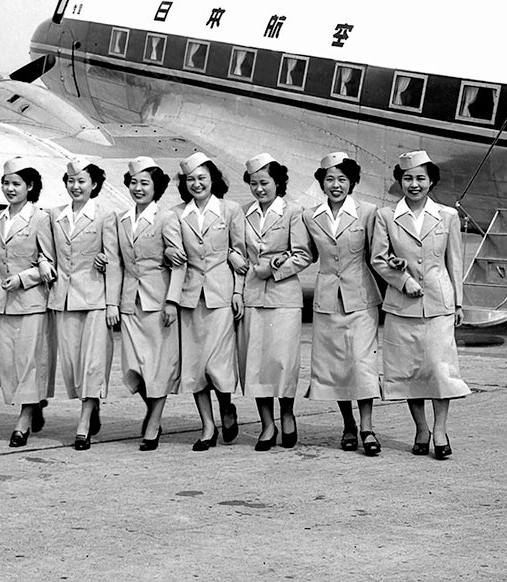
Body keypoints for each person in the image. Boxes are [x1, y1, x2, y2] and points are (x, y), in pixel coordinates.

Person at [371, 150, 470, 460]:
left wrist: (458, 303)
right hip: (402, 304)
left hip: (439, 302)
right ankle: (421, 429)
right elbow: (378, 258)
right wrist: (401, 280)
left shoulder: (448, 216)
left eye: (420, 179)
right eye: (408, 178)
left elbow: (455, 261)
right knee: (409, 371)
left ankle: (440, 431)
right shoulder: (386, 216)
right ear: (400, 181)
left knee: (440, 370)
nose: (414, 184)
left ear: (431, 182)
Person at [301, 152, 383, 455]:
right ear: (322, 182)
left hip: (360, 297)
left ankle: (367, 427)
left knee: (361, 365)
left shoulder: (368, 212)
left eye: (342, 179)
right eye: (330, 179)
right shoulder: (310, 216)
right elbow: (304, 253)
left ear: (353, 182)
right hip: (326, 300)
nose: (336, 185)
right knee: (336, 367)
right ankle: (348, 425)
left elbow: (380, 253)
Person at [163, 152, 244, 451]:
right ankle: (207, 425)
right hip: (190, 296)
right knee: (195, 366)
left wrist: (238, 292)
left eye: (202, 178)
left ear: (213, 180)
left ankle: (226, 406)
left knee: (217, 363)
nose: (197, 184)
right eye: (191, 180)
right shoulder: (174, 215)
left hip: (221, 295)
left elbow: (240, 254)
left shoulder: (230, 210)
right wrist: (167, 255)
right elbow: (173, 256)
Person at [231, 153, 311, 451]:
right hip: (252, 296)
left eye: (264, 183)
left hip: (284, 297)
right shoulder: (243, 213)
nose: (259, 189)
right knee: (255, 364)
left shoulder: (293, 213)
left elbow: (303, 254)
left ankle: (287, 413)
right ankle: (267, 424)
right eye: (254, 183)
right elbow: (236, 253)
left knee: (282, 362)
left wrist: (275, 268)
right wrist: (238, 291)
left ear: (278, 183)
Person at [44, 157, 121, 451]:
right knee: (73, 365)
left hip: (95, 299)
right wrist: (42, 264)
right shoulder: (54, 216)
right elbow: (44, 252)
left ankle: (84, 422)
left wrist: (112, 303)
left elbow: (113, 260)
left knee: (92, 363)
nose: (75, 186)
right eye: (71, 181)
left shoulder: (105, 217)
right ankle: (92, 405)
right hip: (63, 298)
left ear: (95, 185)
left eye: (82, 181)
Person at [115, 156, 182, 451]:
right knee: (134, 368)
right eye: (134, 182)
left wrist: (172, 301)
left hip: (157, 302)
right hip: (130, 301)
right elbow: (118, 259)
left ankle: (154, 422)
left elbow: (179, 262)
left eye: (145, 183)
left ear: (157, 188)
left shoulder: (166, 219)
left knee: (156, 368)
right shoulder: (122, 219)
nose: (138, 188)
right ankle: (152, 411)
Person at [0, 157, 55, 448]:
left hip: (31, 300)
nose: (10, 189)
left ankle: (24, 420)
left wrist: (24, 279)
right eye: (6, 183)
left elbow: (49, 261)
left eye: (16, 183)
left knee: (28, 360)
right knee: (8, 363)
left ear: (30, 186)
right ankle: (34, 403)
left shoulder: (40, 218)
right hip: (2, 300)